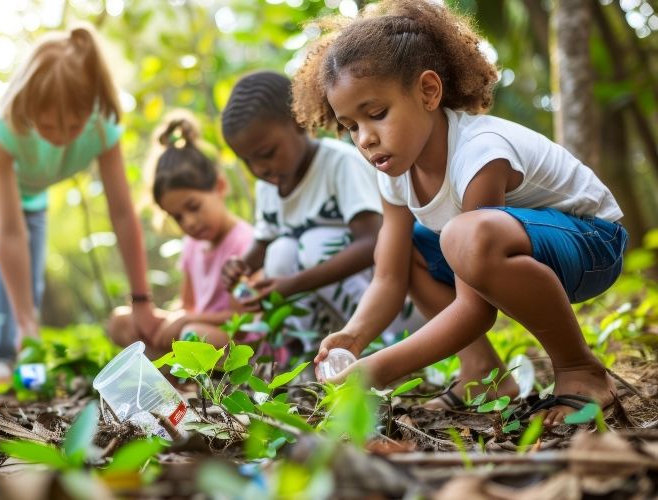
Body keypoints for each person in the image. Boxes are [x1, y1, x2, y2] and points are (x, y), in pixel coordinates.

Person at [293, 0, 627, 427]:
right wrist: (355, 336)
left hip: (594, 243)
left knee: (464, 236)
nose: (365, 138)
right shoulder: (394, 173)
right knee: (410, 247)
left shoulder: (479, 154)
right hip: (519, 245)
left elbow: (475, 309)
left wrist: (377, 370)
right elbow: (389, 277)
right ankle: (482, 375)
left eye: (376, 114)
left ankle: (579, 369)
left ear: (428, 92)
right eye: (351, 126)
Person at [0, 25, 162, 396]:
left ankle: (23, 355)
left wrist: (141, 300)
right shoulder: (2, 129)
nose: (62, 136)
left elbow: (123, 213)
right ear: (29, 105)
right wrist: (26, 321)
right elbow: (8, 232)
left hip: (32, 193)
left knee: (28, 276)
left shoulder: (102, 127)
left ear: (91, 109)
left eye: (73, 125)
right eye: (48, 125)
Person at [220, 71, 424, 351]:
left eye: (267, 153)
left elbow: (373, 241)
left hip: (394, 305)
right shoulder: (268, 186)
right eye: (247, 161)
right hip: (333, 309)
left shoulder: (339, 164)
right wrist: (240, 266)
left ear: (299, 122)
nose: (259, 169)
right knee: (280, 252)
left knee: (314, 245)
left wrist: (294, 283)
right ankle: (313, 354)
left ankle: (377, 345)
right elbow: (264, 243)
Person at [108, 115, 253, 351]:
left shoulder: (244, 244)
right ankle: (169, 380)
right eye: (177, 217)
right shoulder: (192, 245)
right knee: (122, 321)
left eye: (193, 207)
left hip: (238, 343)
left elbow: (246, 319)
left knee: (191, 335)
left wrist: (186, 319)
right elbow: (187, 304)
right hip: (195, 332)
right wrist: (169, 320)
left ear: (219, 186)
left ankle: (178, 377)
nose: (189, 222)